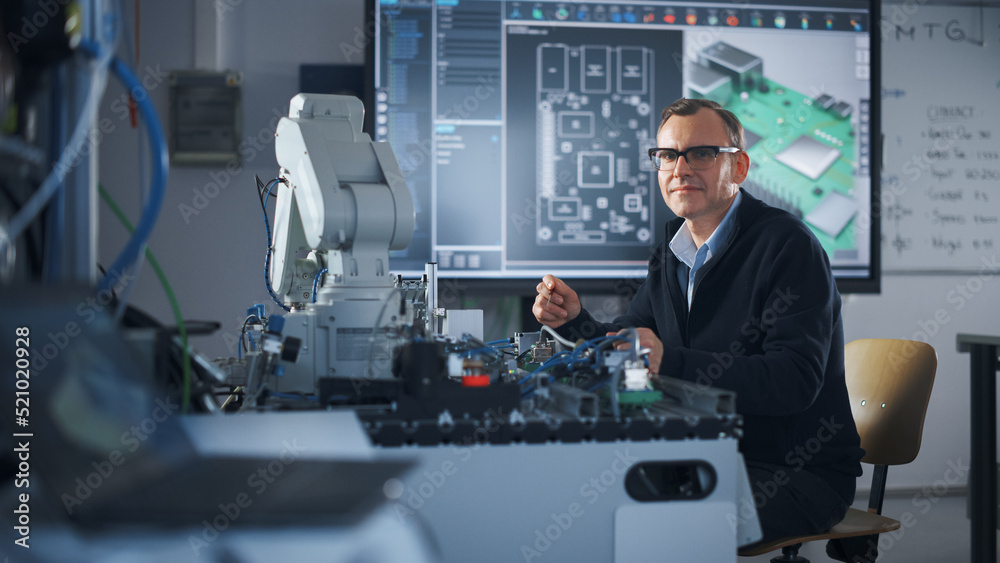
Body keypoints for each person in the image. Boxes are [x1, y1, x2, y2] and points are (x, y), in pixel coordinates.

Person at [532, 98, 864, 548]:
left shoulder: (788, 247)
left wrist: (671, 361)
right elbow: (635, 344)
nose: (680, 168)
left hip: (791, 471)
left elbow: (794, 381)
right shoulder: (673, 246)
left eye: (701, 154)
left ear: (739, 167)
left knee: (640, 524)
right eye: (667, 155)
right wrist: (575, 322)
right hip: (701, 452)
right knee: (579, 497)